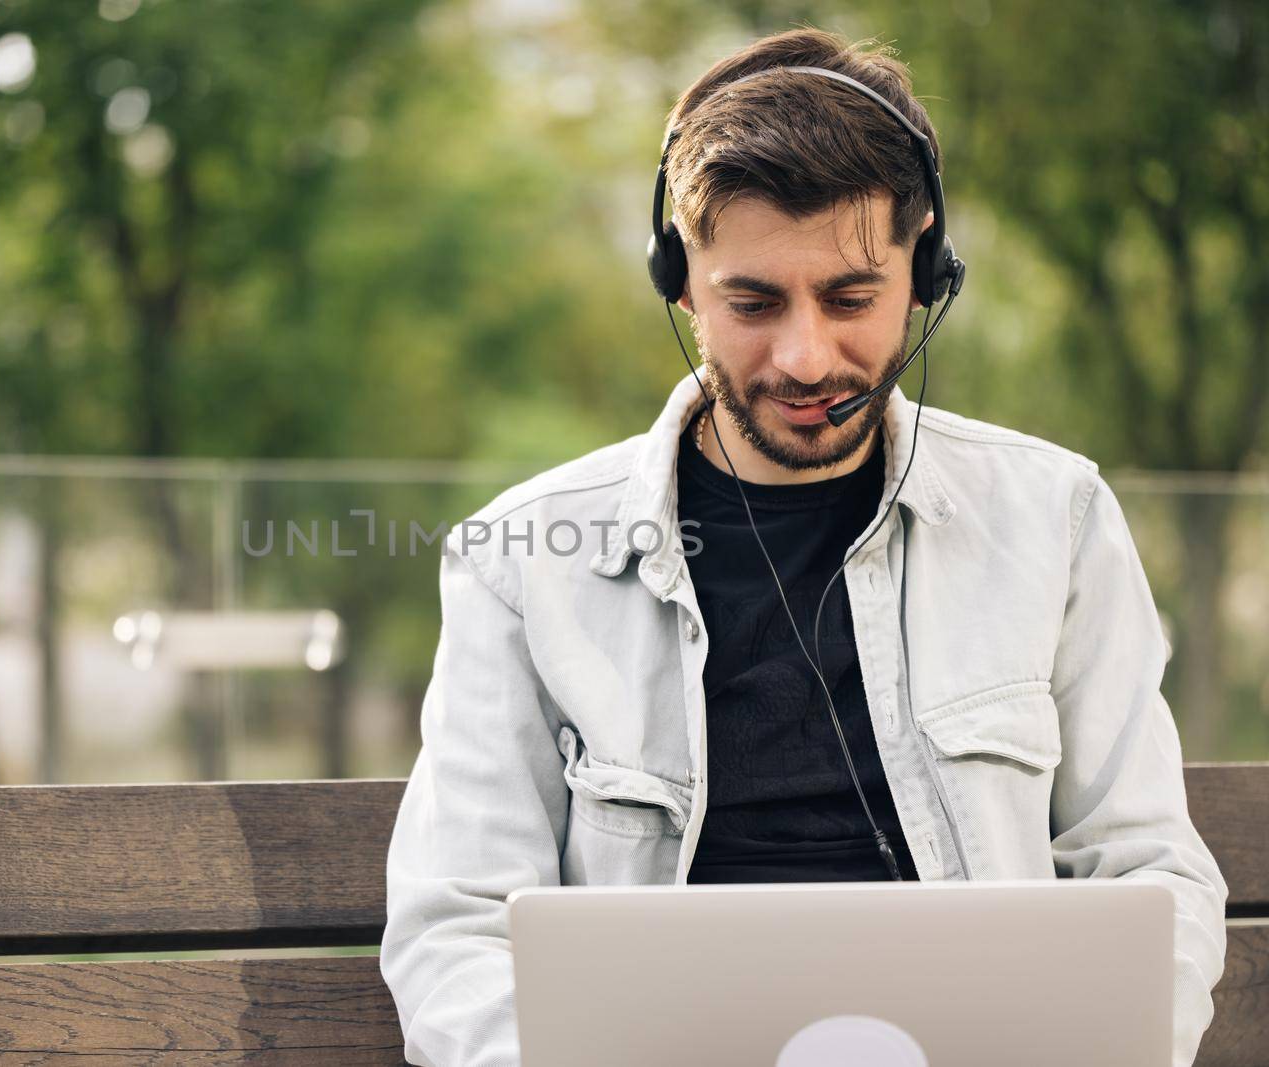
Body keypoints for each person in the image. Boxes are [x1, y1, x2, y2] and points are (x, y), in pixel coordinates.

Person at [379, 26, 1227, 1067]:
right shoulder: (521, 559)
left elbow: (1147, 869)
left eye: (849, 296)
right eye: (752, 301)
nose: (804, 355)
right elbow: (454, 932)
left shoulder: (1055, 515)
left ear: (926, 273)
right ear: (678, 279)